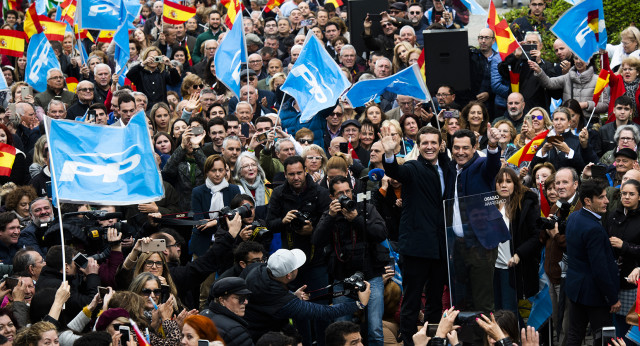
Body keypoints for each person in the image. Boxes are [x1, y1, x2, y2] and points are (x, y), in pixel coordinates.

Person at [380, 125, 448, 345]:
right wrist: (389, 154)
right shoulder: (412, 167)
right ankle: (410, 342)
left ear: (440, 145)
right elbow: (395, 172)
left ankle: (433, 341)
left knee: (435, 301)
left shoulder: (448, 168)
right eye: (424, 143)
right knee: (411, 300)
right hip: (416, 248)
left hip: (440, 248)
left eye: (433, 143)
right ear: (418, 146)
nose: (429, 147)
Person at [313, 176, 388, 346]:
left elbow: (381, 233)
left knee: (375, 328)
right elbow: (317, 241)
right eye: (340, 193)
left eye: (348, 191)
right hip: (343, 278)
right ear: (332, 197)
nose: (345, 196)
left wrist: (356, 219)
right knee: (341, 328)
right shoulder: (330, 214)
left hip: (371, 276)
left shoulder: (366, 209)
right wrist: (331, 217)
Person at [242, 248, 371, 341]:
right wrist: (359, 304)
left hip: (252, 328)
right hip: (264, 337)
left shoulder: (256, 270)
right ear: (289, 275)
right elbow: (324, 312)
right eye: (296, 267)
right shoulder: (284, 303)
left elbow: (273, 295)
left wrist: (291, 295)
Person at [444, 126, 502, 312]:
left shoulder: (481, 165)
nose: (460, 152)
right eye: (456, 148)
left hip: (481, 244)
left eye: (465, 148)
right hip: (457, 244)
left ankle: (486, 340)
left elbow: (493, 165)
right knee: (463, 302)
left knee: (482, 302)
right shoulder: (450, 168)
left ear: (475, 147)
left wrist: (493, 145)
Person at [565, 179, 619, 346]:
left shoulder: (574, 217)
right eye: (601, 197)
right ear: (588, 201)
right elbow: (600, 268)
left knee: (574, 334)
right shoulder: (593, 229)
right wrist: (612, 298)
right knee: (604, 338)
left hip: (576, 290)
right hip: (595, 294)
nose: (607, 201)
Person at [492, 168, 541, 314]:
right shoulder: (490, 203)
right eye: (500, 182)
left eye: (508, 181)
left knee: (508, 312)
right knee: (496, 311)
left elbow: (536, 236)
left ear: (515, 183)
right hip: (493, 268)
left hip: (512, 267)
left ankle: (516, 337)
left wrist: (518, 255)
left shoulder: (525, 203)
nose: (503, 185)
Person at [201, 277, 254, 346]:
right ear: (222, 300)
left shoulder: (203, 314)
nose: (245, 302)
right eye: (240, 298)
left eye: (245, 297)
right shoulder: (236, 331)